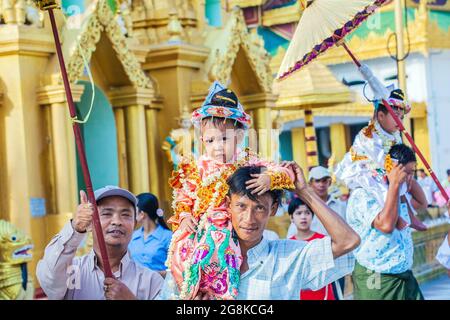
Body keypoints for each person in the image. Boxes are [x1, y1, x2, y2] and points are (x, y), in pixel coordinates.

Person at [166, 82, 295, 300]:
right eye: (210, 140)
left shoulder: (249, 162)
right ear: (201, 141)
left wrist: (269, 178)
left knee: (226, 255)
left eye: (225, 139)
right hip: (201, 226)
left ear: (239, 136)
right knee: (182, 252)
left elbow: (287, 171)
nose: (217, 146)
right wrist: (185, 215)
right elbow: (184, 197)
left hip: (236, 226)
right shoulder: (197, 168)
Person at [158, 163, 360, 300]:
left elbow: (348, 241)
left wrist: (304, 191)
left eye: (259, 208)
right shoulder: (198, 256)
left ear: (273, 209)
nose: (249, 219)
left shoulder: (288, 256)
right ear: (228, 205)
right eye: (241, 206)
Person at [36, 186, 164, 300]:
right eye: (107, 214)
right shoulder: (72, 272)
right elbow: (49, 278)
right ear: (90, 223)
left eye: (125, 215)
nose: (117, 221)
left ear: (134, 224)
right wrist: (76, 228)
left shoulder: (151, 281)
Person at [336, 88, 427, 231]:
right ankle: (396, 218)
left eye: (401, 117)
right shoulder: (368, 134)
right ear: (381, 116)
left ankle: (410, 215)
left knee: (400, 185)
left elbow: (398, 155)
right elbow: (379, 157)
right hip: (366, 170)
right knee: (384, 189)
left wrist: (402, 170)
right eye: (396, 116)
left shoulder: (394, 135)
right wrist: (395, 169)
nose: (400, 120)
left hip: (385, 169)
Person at [347, 144, 427, 300]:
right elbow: (386, 226)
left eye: (412, 173)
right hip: (376, 276)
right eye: (407, 173)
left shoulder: (398, 193)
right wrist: (396, 183)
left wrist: (405, 180)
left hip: (403, 274)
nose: (410, 178)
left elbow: (421, 205)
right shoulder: (363, 194)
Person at [288, 197, 335, 300]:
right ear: (291, 218)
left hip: (323, 295)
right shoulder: (288, 245)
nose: (303, 217)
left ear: (312, 216)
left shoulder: (323, 241)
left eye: (307, 213)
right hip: (298, 295)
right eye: (298, 213)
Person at [287, 166, 347, 237]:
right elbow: (292, 235)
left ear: (330, 183)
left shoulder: (341, 206)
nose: (321, 185)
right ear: (310, 184)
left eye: (324, 180)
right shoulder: (303, 208)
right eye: (317, 181)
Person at [128, 193, 172, 277]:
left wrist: (152, 275)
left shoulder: (168, 237)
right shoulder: (132, 236)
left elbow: (175, 270)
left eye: (135, 211)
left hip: (160, 287)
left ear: (142, 214)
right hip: (135, 288)